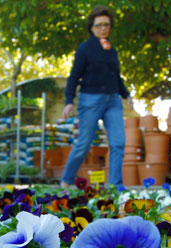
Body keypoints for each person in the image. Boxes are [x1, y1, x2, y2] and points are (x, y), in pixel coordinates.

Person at [60, 5, 133, 189]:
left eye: (107, 25)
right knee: (84, 143)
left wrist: (126, 95)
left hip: (113, 101)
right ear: (92, 27)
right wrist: (69, 101)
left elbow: (116, 76)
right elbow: (74, 76)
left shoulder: (112, 50)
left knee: (118, 143)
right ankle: (67, 180)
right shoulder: (85, 49)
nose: (103, 28)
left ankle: (115, 186)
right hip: (90, 100)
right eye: (99, 25)